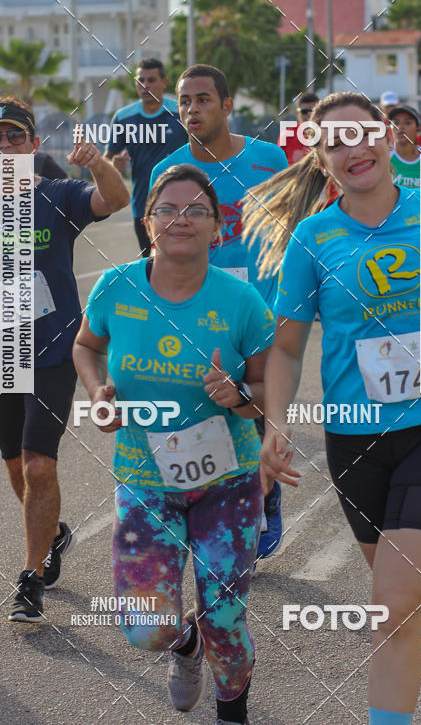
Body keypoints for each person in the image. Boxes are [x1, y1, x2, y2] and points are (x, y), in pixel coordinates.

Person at [246, 91, 421, 725]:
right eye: (335, 142)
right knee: (405, 603)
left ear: (390, 136)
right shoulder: (313, 239)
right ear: (320, 160)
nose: (354, 149)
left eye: (363, 133)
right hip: (355, 440)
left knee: (389, 605)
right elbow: (287, 348)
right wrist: (275, 427)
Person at [73, 164, 274, 725]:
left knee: (225, 618)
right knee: (145, 628)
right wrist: (97, 391)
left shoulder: (242, 301)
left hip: (227, 482)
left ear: (218, 229)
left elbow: (268, 391)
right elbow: (86, 347)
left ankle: (232, 708)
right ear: (148, 222)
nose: (180, 218)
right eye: (167, 209)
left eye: (196, 211)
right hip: (144, 479)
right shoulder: (117, 286)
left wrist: (238, 394)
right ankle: (184, 646)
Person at [0, 96, 130, 622]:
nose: (3, 146)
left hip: (55, 351)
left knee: (40, 463)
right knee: (16, 464)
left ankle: (30, 578)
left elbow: (116, 198)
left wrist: (97, 162)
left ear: (35, 146)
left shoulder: (60, 195)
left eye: (15, 136)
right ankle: (54, 533)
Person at [150, 64, 288, 560]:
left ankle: (266, 502)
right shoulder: (167, 173)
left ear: (227, 106)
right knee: (203, 417)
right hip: (193, 313)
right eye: (184, 101)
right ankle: (212, 515)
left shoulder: (268, 159)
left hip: (258, 312)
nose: (191, 110)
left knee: (253, 410)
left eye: (203, 99)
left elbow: (291, 233)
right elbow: (154, 247)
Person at [104, 57, 187, 257]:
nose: (145, 85)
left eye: (151, 80)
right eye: (141, 80)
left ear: (164, 83)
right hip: (143, 206)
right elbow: (106, 160)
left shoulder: (181, 112)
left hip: (183, 203)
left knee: (183, 259)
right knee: (150, 262)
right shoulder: (124, 118)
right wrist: (114, 165)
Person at [388, 103, 421, 189]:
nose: (400, 127)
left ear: (418, 128)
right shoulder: (384, 157)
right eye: (396, 123)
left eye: (407, 123)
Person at [281, 92, 319, 165]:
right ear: (297, 113)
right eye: (304, 111)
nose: (309, 115)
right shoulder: (287, 136)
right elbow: (280, 166)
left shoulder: (327, 134)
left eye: (313, 111)